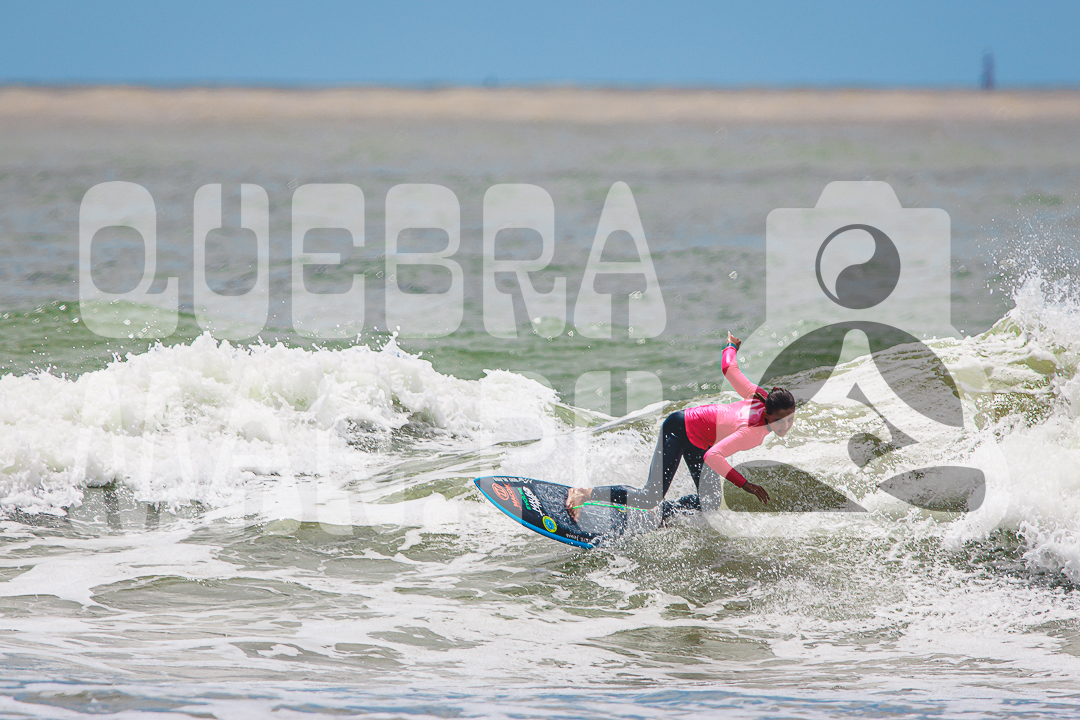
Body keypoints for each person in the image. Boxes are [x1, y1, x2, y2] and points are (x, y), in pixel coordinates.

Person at [566, 332, 796, 522]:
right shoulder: (752, 432)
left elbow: (729, 369)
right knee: (650, 496)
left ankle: (661, 515)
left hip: (700, 438)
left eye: (789, 419)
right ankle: (583, 493)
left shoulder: (761, 396)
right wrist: (745, 485)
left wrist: (730, 346)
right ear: (768, 414)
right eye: (780, 420)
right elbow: (713, 457)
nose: (785, 426)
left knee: (710, 502)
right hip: (679, 428)